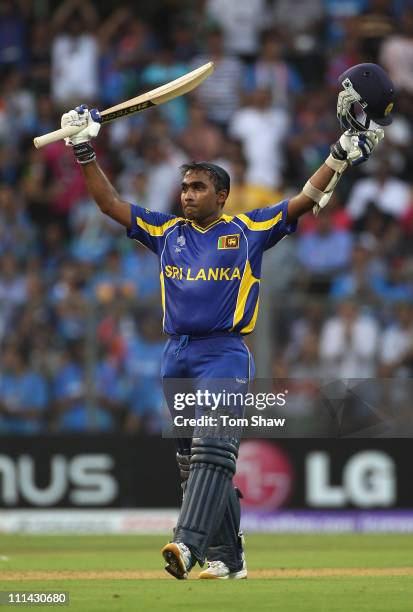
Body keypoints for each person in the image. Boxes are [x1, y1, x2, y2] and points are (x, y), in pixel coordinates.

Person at [59, 62, 392, 580]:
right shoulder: (165, 230)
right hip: (178, 353)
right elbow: (109, 203)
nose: (187, 194)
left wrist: (337, 160)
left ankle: (186, 546)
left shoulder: (248, 228)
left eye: (198, 187)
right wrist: (83, 150)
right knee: (194, 465)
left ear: (221, 195)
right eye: (185, 187)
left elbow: (304, 201)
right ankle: (229, 557)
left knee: (214, 444)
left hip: (225, 352)